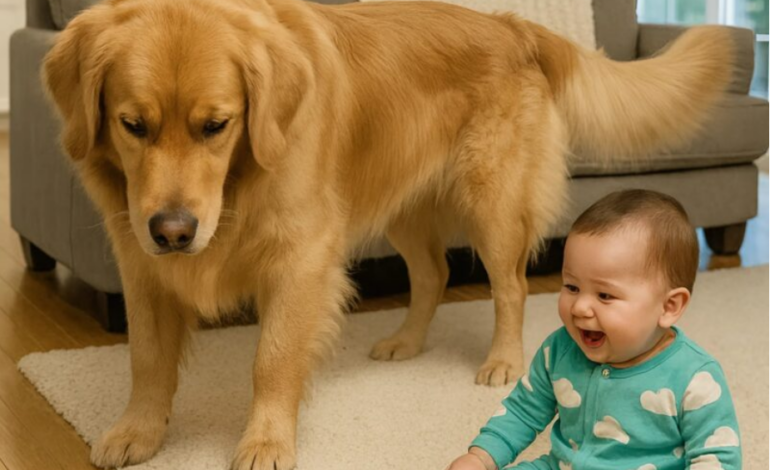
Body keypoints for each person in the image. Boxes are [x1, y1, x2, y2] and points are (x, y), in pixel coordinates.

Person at [446, 189, 741, 470]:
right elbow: (523, 411)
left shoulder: (695, 378)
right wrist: (480, 458)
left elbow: (716, 459)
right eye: (572, 287)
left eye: (604, 295)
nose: (580, 307)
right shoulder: (559, 349)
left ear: (668, 307)